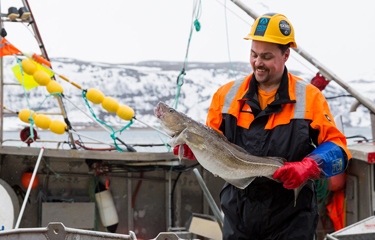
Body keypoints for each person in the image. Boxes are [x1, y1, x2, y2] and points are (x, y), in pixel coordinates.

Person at [175, 13, 351, 239]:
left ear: (286, 54)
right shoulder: (225, 95)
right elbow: (213, 145)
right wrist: (194, 151)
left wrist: (308, 166)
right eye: (254, 54)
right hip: (238, 216)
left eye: (266, 56)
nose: (258, 63)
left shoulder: (310, 97)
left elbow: (339, 150)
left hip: (291, 217)